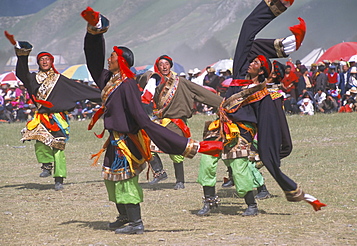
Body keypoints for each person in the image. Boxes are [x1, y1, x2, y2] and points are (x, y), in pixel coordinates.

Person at [81, 7, 222, 234]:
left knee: (125, 181)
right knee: (111, 179)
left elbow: (141, 118)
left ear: (122, 61)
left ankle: (136, 223)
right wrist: (95, 32)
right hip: (114, 139)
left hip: (127, 141)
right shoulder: (109, 79)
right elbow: (93, 60)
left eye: (113, 57)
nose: (108, 59)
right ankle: (124, 215)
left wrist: (184, 144)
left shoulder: (127, 85)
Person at [197, 0, 326, 217]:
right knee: (206, 160)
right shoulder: (239, 72)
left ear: (262, 71)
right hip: (221, 125)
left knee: (238, 164)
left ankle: (251, 204)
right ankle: (209, 201)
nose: (250, 63)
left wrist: (270, 151)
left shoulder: (264, 93)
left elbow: (271, 124)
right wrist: (274, 7)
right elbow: (247, 30)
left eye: (256, 62)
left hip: (242, 130)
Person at [4, 30, 102, 190]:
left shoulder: (59, 79)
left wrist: (104, 95)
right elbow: (21, 73)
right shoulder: (32, 78)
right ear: (38, 62)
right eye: (41, 59)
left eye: (47, 59)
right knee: (39, 142)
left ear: (51, 62)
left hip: (58, 118)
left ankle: (59, 179)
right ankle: (46, 165)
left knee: (58, 147)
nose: (44, 62)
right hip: (41, 117)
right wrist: (22, 56)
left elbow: (80, 89)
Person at [141, 54, 223, 190]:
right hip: (160, 121)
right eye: (161, 64)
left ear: (170, 66)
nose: (164, 66)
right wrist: (152, 77)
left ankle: (180, 180)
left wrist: (223, 103)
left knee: (176, 151)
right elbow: (143, 78)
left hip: (177, 122)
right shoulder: (155, 81)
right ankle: (159, 172)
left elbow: (201, 93)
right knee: (146, 141)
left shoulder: (181, 82)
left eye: (166, 63)